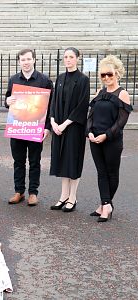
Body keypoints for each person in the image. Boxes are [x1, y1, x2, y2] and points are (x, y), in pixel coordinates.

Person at [5, 49, 53, 206]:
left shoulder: (44, 80)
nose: (25, 62)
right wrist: (8, 101)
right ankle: (19, 191)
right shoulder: (13, 80)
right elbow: (7, 99)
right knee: (18, 161)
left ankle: (33, 193)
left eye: (28, 59)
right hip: (18, 126)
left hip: (35, 127)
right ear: (19, 62)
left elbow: (50, 105)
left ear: (34, 60)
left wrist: (47, 127)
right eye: (22, 60)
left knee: (34, 161)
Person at [86, 55, 132, 222]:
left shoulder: (123, 94)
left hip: (112, 140)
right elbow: (90, 115)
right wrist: (89, 132)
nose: (106, 78)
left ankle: (105, 205)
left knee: (112, 173)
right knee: (101, 173)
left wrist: (106, 135)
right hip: (95, 139)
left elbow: (121, 122)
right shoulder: (99, 92)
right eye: (103, 75)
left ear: (117, 74)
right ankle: (106, 204)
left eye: (109, 74)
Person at [49, 47, 90, 212]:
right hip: (58, 126)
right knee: (62, 160)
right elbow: (54, 102)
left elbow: (82, 106)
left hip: (73, 127)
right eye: (65, 57)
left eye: (71, 57)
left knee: (73, 160)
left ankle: (73, 197)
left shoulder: (83, 80)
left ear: (78, 58)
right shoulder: (60, 78)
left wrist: (65, 124)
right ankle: (63, 196)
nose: (68, 59)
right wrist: (52, 121)